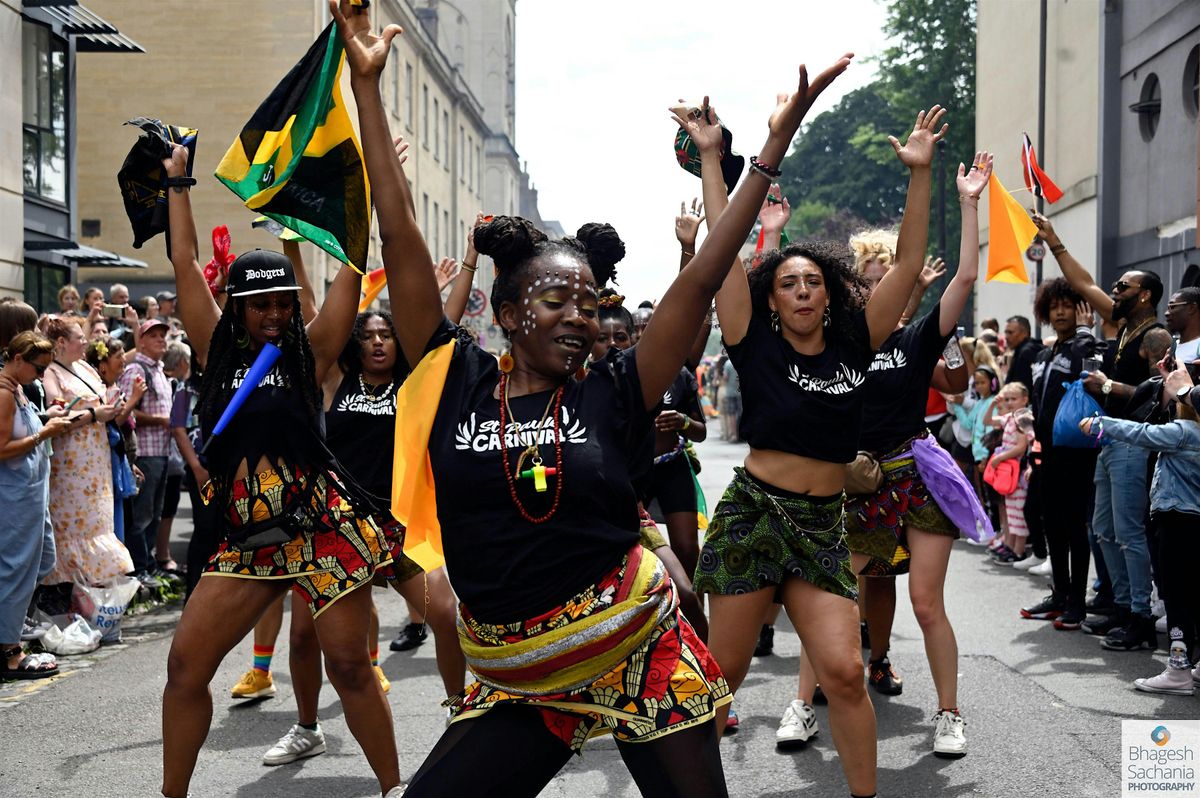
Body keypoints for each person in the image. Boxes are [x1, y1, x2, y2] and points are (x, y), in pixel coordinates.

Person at [338, 3, 850, 791]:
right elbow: (401, 232)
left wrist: (767, 151)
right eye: (554, 302)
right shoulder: (452, 376)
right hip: (517, 681)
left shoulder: (617, 389)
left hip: (638, 652)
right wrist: (366, 88)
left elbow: (707, 271)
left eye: (588, 303)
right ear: (506, 316)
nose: (578, 317)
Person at [689, 92, 946, 798]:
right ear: (771, 298)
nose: (800, 291)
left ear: (829, 294)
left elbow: (911, 262)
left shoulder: (857, 343)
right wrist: (713, 158)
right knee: (723, 677)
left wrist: (919, 173)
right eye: (787, 284)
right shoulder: (751, 343)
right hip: (754, 516)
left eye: (811, 282)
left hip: (823, 526)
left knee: (842, 673)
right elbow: (719, 253)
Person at [158, 124, 402, 798]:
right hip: (246, 537)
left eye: (281, 304)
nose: (273, 315)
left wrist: (373, 195)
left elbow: (351, 265)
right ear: (235, 310)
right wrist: (179, 180)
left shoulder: (313, 349)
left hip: (319, 526)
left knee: (350, 667)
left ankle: (392, 788)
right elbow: (183, 262)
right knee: (185, 668)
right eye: (259, 306)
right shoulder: (214, 350)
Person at [1031, 212, 1162, 650]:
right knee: (1103, 531)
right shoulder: (1126, 327)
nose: (1112, 291)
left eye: (1122, 287)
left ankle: (1140, 616)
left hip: (1134, 442)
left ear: (1143, 295)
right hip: (1111, 440)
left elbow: (1158, 393)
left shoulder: (1156, 335)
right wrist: (1053, 241)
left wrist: (1106, 385)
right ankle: (1121, 608)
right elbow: (1084, 283)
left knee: (1126, 532)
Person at [1080, 392, 1200, 694]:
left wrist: (1100, 424)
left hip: (1177, 521)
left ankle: (1179, 668)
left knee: (1176, 596)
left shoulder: (1185, 432)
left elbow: (1138, 432)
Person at [1020, 278, 1099, 629]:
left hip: (1077, 452)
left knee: (1073, 526)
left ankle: (1077, 603)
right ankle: (1060, 593)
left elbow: (1096, 378)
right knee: (1050, 522)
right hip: (1045, 451)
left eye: (1068, 305)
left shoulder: (1087, 346)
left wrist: (1085, 334)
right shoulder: (1042, 353)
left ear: (1080, 309)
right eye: (1055, 307)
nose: (1061, 312)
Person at [0, 332, 73, 679]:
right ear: (17, 359)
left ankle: (10, 632)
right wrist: (45, 433)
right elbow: (2, 448)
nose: (41, 376)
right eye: (38, 368)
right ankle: (9, 651)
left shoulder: (15, 387)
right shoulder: (4, 392)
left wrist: (46, 419)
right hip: (14, 495)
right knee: (15, 570)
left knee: (43, 560)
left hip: (31, 492)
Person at [40, 317, 129, 588]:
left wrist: (114, 405)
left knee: (99, 526)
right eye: (80, 337)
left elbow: (102, 400)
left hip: (96, 462)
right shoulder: (50, 373)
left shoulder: (86, 369)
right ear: (62, 343)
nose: (86, 341)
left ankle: (95, 594)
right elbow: (56, 419)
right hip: (70, 466)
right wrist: (94, 414)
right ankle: (71, 594)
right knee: (73, 529)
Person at [118, 319, 175, 577]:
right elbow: (125, 412)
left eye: (163, 335)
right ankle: (139, 569)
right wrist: (161, 420)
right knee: (141, 516)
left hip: (162, 452)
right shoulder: (135, 370)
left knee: (155, 513)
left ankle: (148, 566)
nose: (161, 339)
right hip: (146, 453)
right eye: (154, 335)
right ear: (140, 340)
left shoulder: (160, 370)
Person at [84, 336, 147, 545]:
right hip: (110, 465)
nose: (123, 360)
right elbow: (115, 421)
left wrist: (131, 465)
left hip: (123, 462)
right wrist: (134, 399)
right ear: (102, 367)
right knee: (120, 520)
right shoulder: (102, 391)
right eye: (118, 356)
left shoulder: (113, 388)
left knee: (128, 519)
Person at [1004, 315, 1042, 391]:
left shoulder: (1027, 352)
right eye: (1006, 332)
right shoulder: (1021, 350)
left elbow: (1022, 387)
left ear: (1024, 333)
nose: (1006, 337)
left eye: (1010, 333)